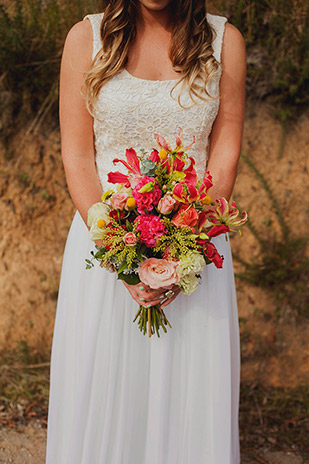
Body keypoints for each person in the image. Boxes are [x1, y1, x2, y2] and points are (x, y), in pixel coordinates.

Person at [45, 0, 246, 462]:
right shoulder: (86, 39)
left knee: (188, 392)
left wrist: (189, 243)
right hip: (104, 248)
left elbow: (226, 147)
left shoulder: (224, 41)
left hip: (195, 247)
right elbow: (76, 155)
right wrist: (120, 251)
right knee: (104, 385)